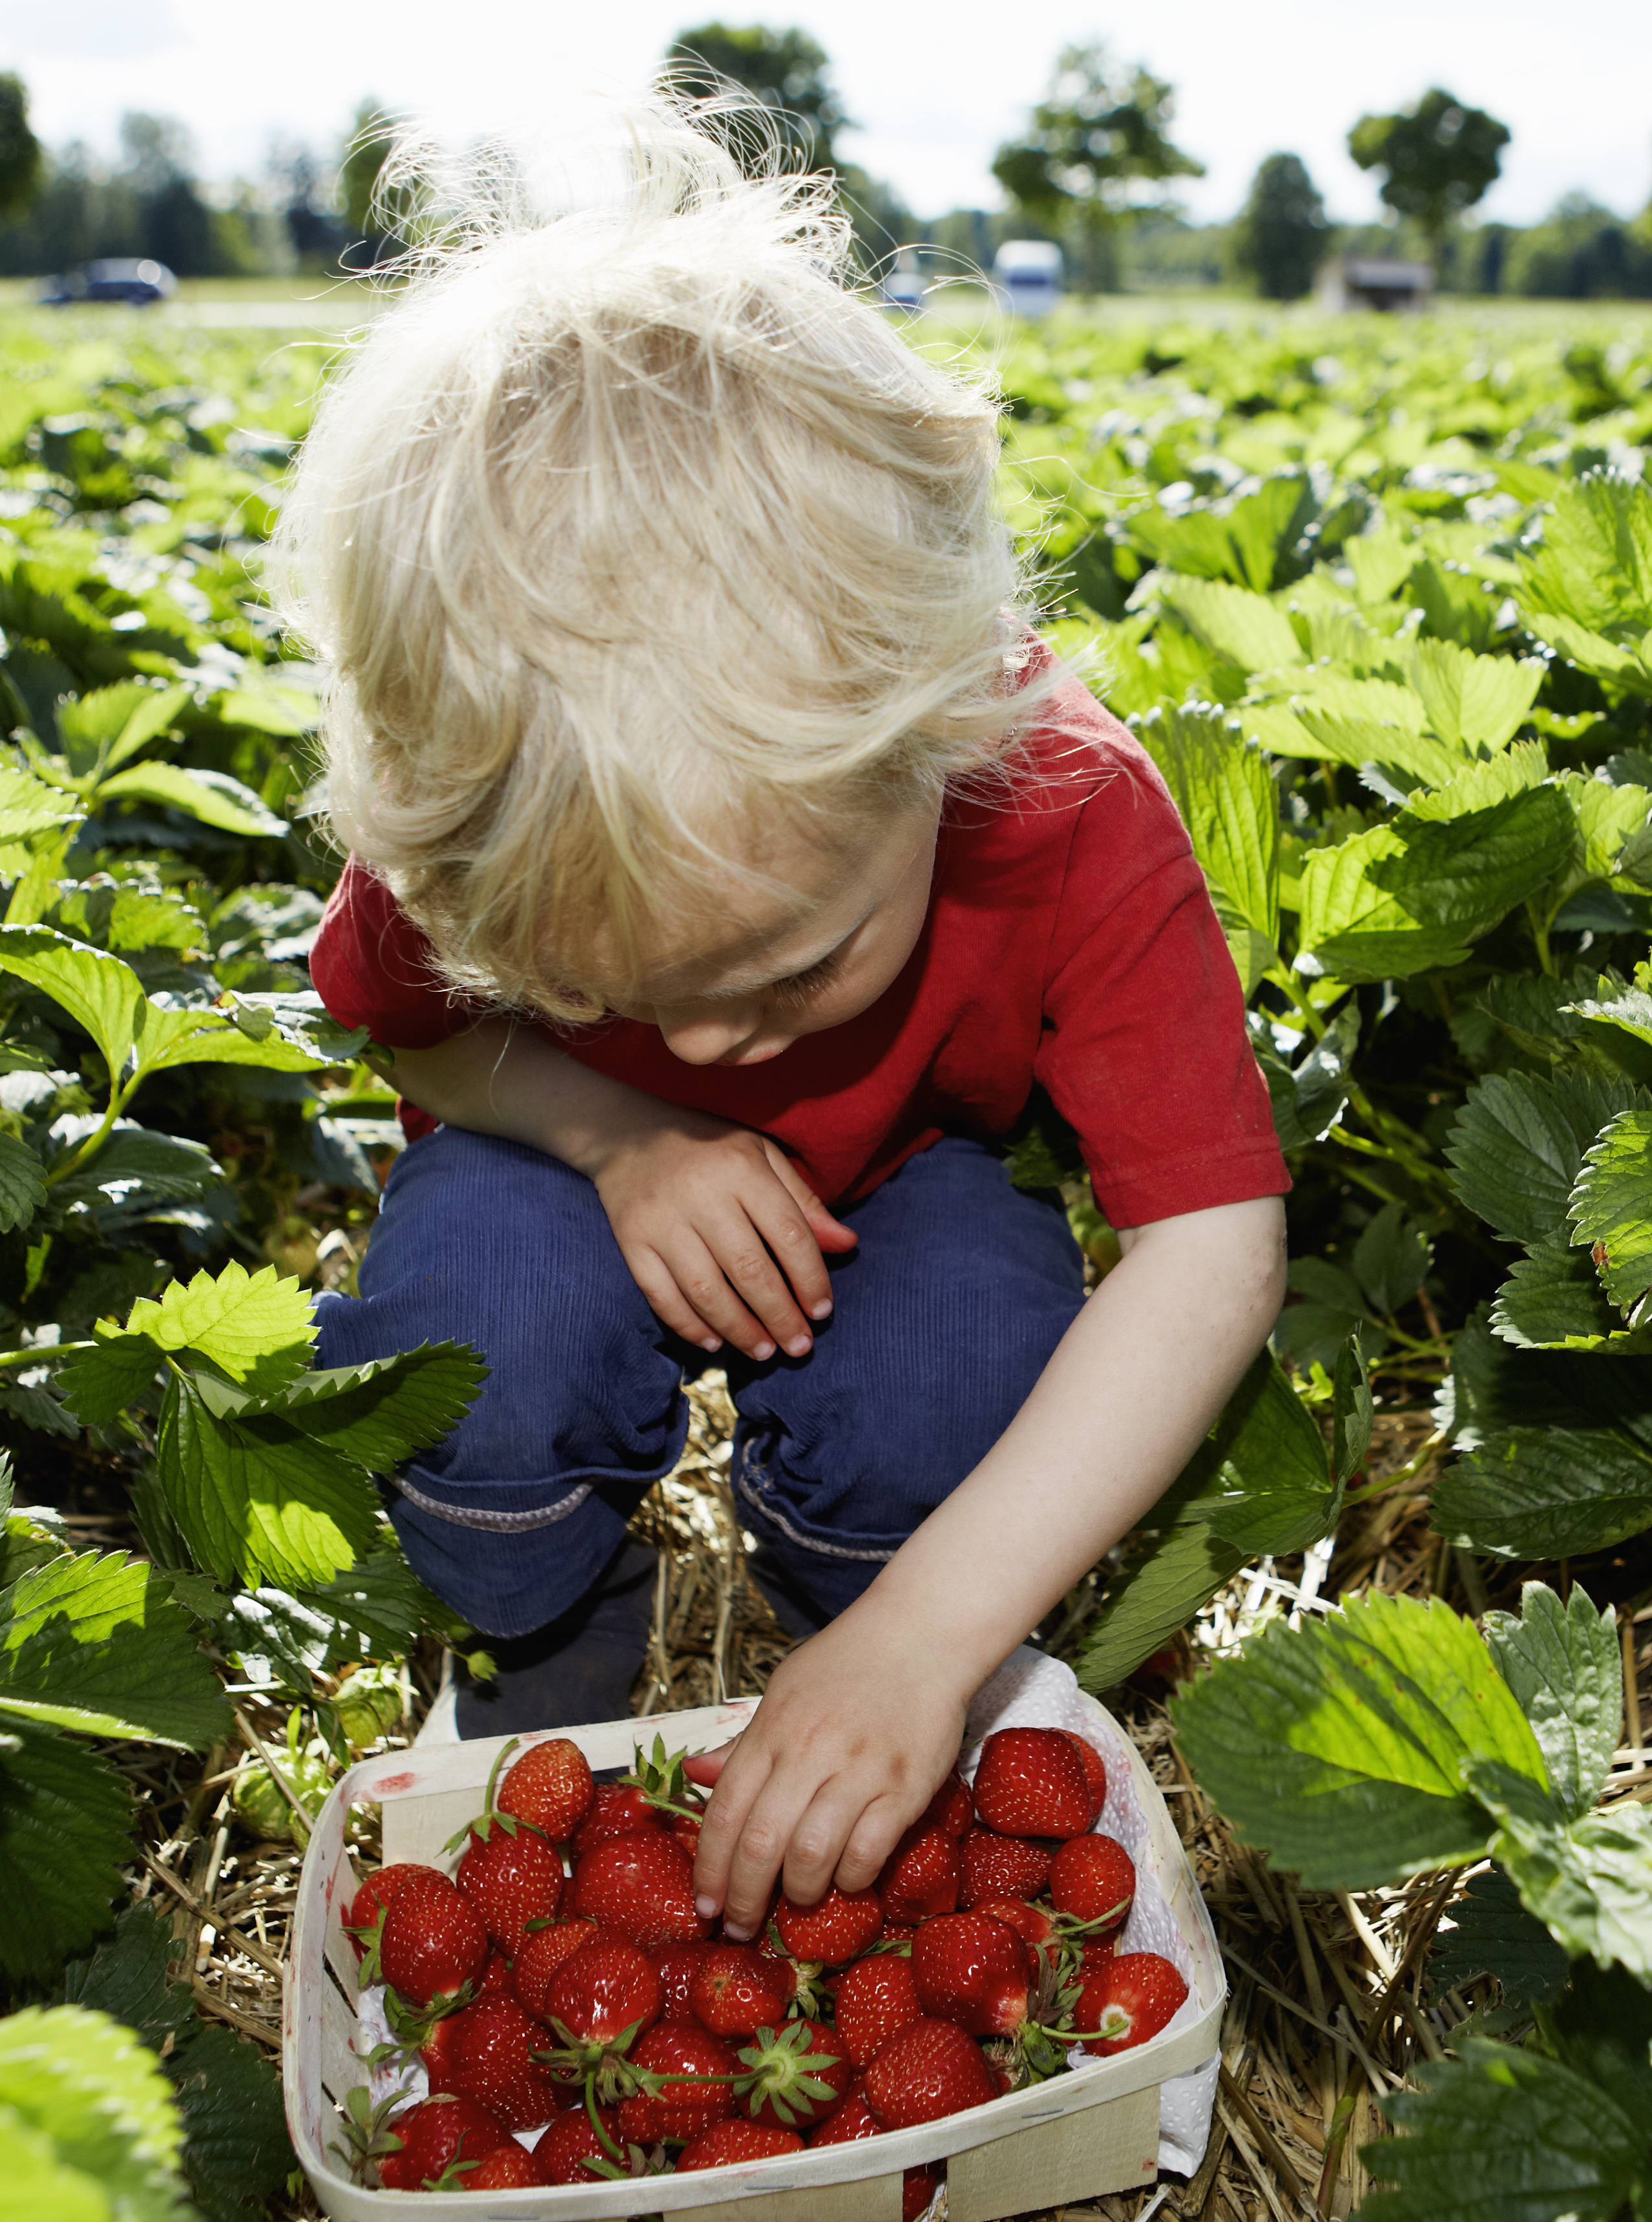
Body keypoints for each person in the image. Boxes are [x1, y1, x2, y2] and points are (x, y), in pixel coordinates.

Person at [271, 105, 1290, 1941]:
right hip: (553, 1175)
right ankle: (542, 1639)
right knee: (467, 1332)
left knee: (973, 1357)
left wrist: (928, 1635)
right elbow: (409, 1030)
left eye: (791, 970)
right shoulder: (482, 791)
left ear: (936, 748)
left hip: (900, 1190)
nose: (722, 1046)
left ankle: (856, 1624)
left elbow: (1210, 1248)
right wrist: (613, 1125)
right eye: (610, 991)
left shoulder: (1062, 806)